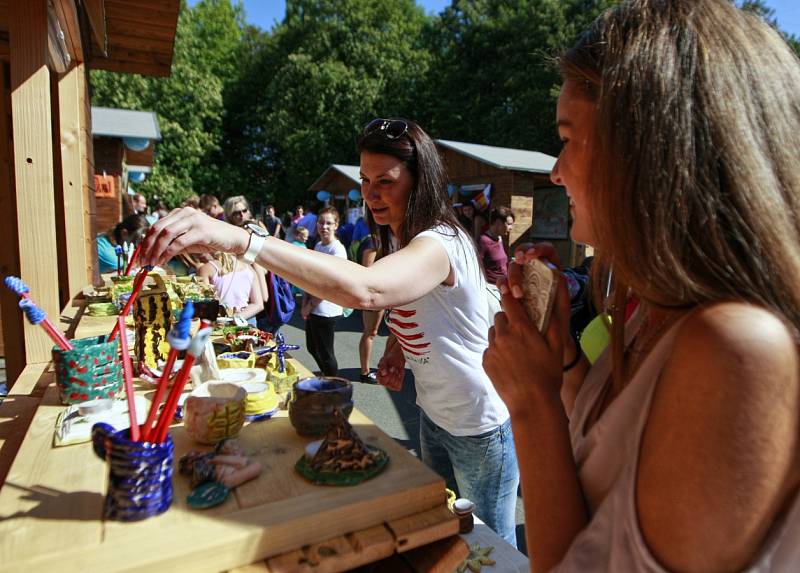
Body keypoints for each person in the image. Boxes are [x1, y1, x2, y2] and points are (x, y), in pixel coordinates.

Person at [483, 1, 800, 571]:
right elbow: (612, 453)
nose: (556, 170)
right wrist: (556, 362)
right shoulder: (649, 308)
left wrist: (530, 406)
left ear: (652, 153)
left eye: (570, 137)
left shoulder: (736, 347)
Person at [140, 118, 520, 545]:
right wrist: (397, 347)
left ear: (420, 181)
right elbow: (419, 300)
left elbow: (369, 289)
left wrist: (241, 240)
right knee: (444, 533)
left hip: (478, 426)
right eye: (365, 180)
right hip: (435, 416)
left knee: (492, 548)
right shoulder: (403, 238)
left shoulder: (440, 241)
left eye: (385, 181)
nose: (370, 193)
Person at [300, 207, 347, 376]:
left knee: (326, 353)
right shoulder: (318, 245)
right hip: (314, 307)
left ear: (336, 225)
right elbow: (310, 279)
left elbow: (329, 286)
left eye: (329, 223)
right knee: (312, 348)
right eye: (321, 222)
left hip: (327, 310)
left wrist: (309, 306)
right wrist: (305, 303)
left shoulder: (337, 250)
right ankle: (328, 378)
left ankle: (335, 387)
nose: (324, 226)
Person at [350, 216, 384, 384]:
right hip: (375, 294)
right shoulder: (373, 241)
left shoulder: (368, 236)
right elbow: (368, 271)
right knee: (370, 333)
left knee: (371, 333)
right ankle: (365, 372)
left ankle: (367, 370)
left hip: (376, 294)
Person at [197, 251, 264, 326]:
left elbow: (204, 303)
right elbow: (258, 304)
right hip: (245, 320)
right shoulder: (250, 269)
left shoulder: (206, 268)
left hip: (218, 322)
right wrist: (236, 318)